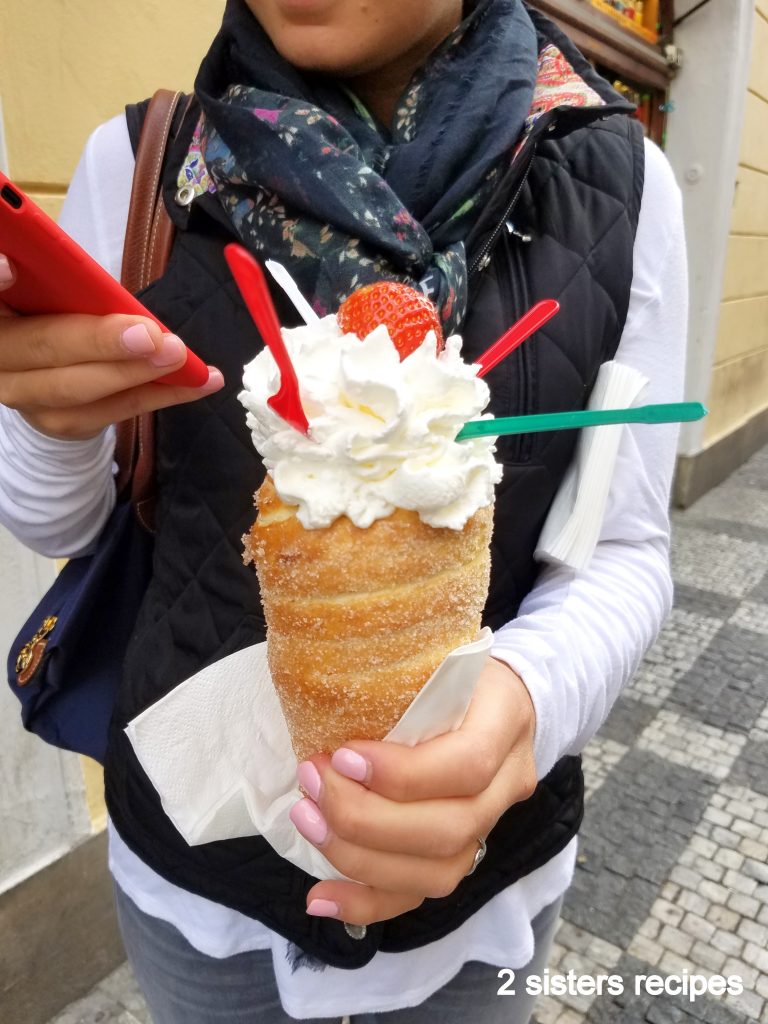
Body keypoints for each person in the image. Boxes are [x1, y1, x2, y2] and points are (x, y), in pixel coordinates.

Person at [0, 0, 687, 1020]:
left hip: (475, 901)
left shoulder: (621, 181)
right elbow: (57, 526)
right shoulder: (144, 163)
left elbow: (623, 549)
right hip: (200, 885)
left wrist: (519, 712)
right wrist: (49, 421)